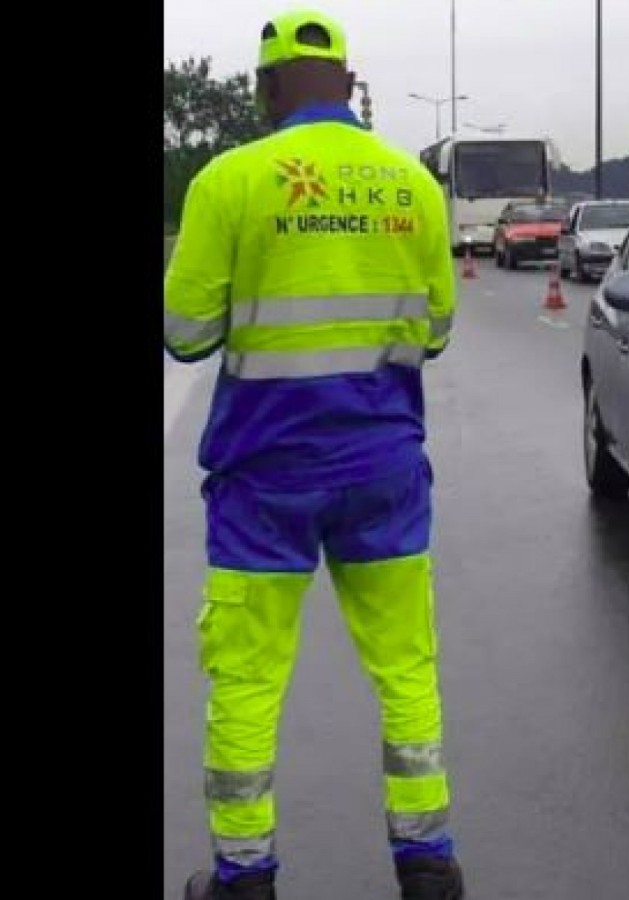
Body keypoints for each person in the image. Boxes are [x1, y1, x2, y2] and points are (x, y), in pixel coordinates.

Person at [163, 10, 464, 899]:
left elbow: (183, 336)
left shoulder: (231, 181)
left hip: (264, 478)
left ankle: (245, 877)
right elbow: (436, 332)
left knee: (249, 682)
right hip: (383, 471)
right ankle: (428, 865)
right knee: (407, 669)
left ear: (265, 88)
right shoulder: (411, 184)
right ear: (350, 82)